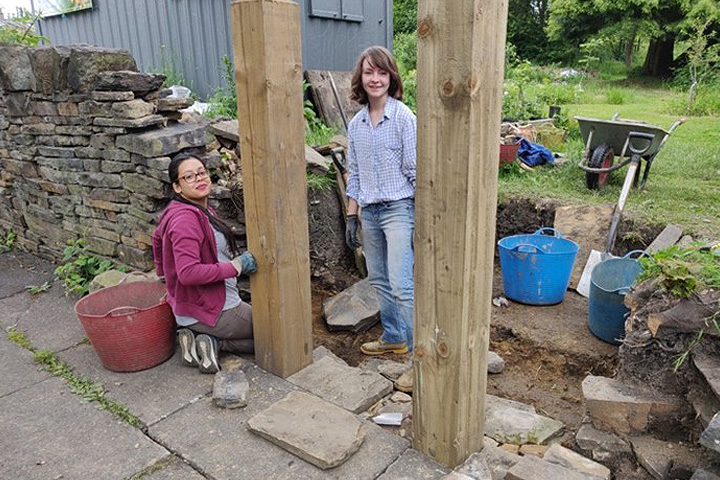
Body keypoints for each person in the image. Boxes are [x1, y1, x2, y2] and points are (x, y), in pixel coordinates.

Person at [152, 151, 257, 374]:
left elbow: (157, 238)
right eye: (189, 177)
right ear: (177, 187)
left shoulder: (189, 210)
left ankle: (202, 339)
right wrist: (236, 267)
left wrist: (166, 280)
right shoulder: (185, 219)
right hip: (216, 311)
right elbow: (188, 273)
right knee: (277, 334)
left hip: (195, 308)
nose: (199, 178)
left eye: (201, 173)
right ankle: (217, 342)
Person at [345, 46, 417, 355]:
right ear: (360, 79)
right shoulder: (355, 125)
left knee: (401, 284)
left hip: (398, 209)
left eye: (382, 72)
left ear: (391, 77)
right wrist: (352, 216)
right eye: (369, 72)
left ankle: (418, 355)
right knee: (379, 278)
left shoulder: (403, 117)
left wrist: (421, 215)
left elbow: (415, 170)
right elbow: (355, 174)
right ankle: (394, 336)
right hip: (369, 212)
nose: (375, 79)